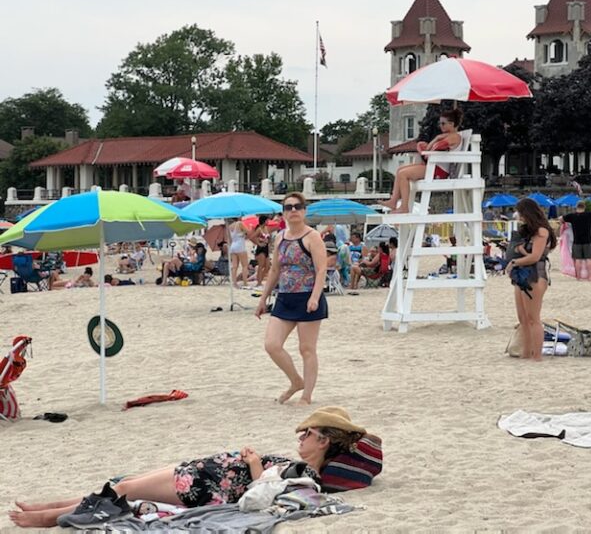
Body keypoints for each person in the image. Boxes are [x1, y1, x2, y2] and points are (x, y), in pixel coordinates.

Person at [8, 406, 366, 529]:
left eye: (309, 432)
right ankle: (51, 506)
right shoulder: (299, 464)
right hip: (202, 475)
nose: (301, 435)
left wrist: (255, 464)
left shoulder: (306, 474)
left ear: (324, 442)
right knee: (125, 483)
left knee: (124, 491)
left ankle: (47, 519)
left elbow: (264, 498)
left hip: (203, 486)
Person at [255, 193, 327, 406]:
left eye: (298, 206)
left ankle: (307, 396)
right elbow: (275, 269)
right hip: (285, 297)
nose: (293, 210)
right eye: (288, 207)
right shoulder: (280, 237)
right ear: (284, 212)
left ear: (304, 211)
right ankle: (296, 381)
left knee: (307, 348)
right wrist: (263, 298)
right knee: (272, 344)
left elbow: (321, 269)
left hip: (307, 297)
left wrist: (315, 296)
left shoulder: (312, 237)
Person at [378, 109, 463, 214]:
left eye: (443, 123)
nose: (441, 126)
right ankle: (394, 200)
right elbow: (431, 149)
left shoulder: (454, 137)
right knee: (400, 170)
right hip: (434, 167)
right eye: (440, 123)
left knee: (404, 174)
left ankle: (404, 207)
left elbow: (437, 147)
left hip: (439, 171)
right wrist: (433, 142)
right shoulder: (448, 136)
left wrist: (436, 139)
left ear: (452, 124)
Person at [505, 198, 557, 361]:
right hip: (521, 274)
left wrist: (514, 262)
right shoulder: (529, 231)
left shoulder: (542, 231)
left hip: (535, 275)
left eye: (521, 213)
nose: (519, 216)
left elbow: (536, 257)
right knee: (523, 318)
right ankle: (526, 353)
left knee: (533, 318)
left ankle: (537, 355)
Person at [562, 201, 591, 280]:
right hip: (588, 240)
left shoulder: (572, 216)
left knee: (578, 259)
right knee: (589, 259)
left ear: (576, 207)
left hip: (576, 241)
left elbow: (561, 219)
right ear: (584, 207)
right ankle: (590, 276)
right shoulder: (589, 215)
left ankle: (578, 277)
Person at [250, 215, 272, 287]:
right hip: (261, 248)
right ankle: (259, 282)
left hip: (266, 248)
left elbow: (269, 238)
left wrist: (269, 242)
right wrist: (259, 243)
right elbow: (252, 237)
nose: (268, 221)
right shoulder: (259, 229)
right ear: (263, 221)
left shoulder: (266, 228)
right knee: (261, 266)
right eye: (267, 220)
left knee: (267, 266)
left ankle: (260, 280)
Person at [228, 219, 250, 287]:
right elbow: (248, 231)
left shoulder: (230, 226)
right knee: (244, 265)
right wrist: (250, 228)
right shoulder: (239, 223)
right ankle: (245, 283)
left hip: (233, 246)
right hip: (240, 245)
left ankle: (234, 283)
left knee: (234, 266)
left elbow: (230, 238)